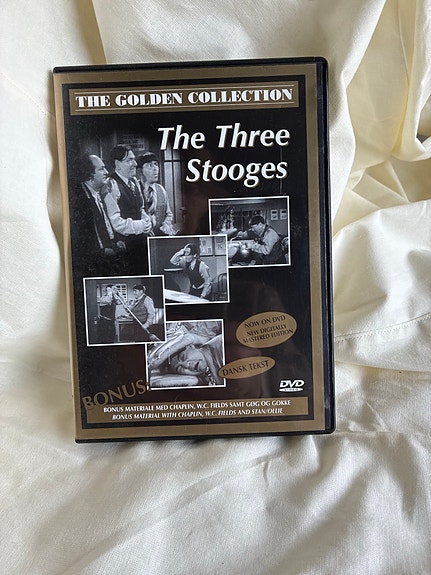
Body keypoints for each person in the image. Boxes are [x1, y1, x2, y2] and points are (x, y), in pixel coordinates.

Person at [73, 154, 126, 274]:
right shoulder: (79, 200)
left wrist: (114, 242)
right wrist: (103, 251)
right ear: (89, 175)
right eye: (101, 169)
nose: (106, 172)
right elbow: (81, 241)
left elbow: (103, 226)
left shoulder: (95, 193)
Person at [106, 144, 152, 272]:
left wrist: (146, 221)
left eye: (134, 159)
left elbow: (141, 208)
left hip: (140, 245)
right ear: (118, 164)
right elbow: (115, 222)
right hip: (124, 248)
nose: (135, 164)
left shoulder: (134, 182)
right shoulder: (111, 184)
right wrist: (141, 225)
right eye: (129, 160)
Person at [147, 321, 224, 387]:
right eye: (179, 368)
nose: (186, 365)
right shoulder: (205, 381)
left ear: (191, 346)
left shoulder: (219, 344)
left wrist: (192, 339)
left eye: (183, 357)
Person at [136, 152, 175, 236]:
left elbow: (168, 214)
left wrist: (166, 225)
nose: (155, 169)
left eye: (156, 164)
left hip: (158, 237)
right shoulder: (135, 189)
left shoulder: (161, 189)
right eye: (150, 165)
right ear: (140, 171)